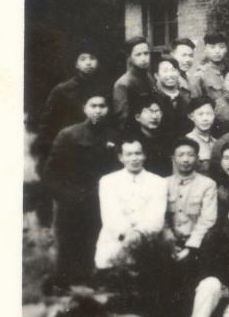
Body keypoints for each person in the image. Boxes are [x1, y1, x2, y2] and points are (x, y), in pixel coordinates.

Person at [42, 93, 118, 287]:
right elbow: (51, 172)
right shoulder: (69, 134)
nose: (98, 110)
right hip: (72, 202)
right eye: (93, 106)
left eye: (102, 106)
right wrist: (67, 196)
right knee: (70, 245)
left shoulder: (114, 135)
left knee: (99, 244)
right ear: (84, 108)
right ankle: (67, 285)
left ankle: (96, 282)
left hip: (102, 201)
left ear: (108, 109)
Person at [94, 134, 168, 273]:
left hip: (146, 242)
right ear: (120, 157)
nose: (134, 158)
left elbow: (156, 217)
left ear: (144, 155)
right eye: (128, 154)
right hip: (115, 241)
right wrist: (127, 234)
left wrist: (138, 233)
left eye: (138, 153)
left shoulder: (158, 182)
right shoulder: (108, 181)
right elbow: (110, 215)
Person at [36, 41, 106, 158]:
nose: (88, 62)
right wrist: (48, 150)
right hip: (71, 145)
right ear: (76, 64)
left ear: (98, 62)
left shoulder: (105, 89)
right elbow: (47, 123)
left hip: (98, 146)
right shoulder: (62, 90)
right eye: (83, 59)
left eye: (92, 58)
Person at [163, 137, 218, 265]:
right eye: (180, 155)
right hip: (167, 244)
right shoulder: (163, 184)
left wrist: (190, 247)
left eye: (190, 155)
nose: (185, 159)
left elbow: (207, 219)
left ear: (197, 158)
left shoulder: (208, 185)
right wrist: (170, 243)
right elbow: (160, 218)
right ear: (173, 158)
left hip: (197, 244)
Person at [112, 36, 155, 126]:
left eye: (146, 53)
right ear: (130, 57)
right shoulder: (123, 84)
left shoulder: (149, 77)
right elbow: (123, 118)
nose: (143, 58)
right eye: (138, 54)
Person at [127, 93, 172, 177]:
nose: (154, 117)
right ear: (138, 117)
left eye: (157, 112)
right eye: (149, 112)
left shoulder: (167, 140)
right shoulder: (131, 142)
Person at [154, 56, 193, 139]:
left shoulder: (188, 96)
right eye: (165, 71)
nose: (170, 75)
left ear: (178, 73)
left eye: (173, 70)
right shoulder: (153, 99)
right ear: (156, 75)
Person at [189, 32, 229, 100]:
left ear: (226, 49)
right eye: (212, 47)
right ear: (205, 49)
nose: (217, 51)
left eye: (221, 47)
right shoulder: (200, 75)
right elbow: (196, 102)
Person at [185, 96, 218, 175]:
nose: (205, 118)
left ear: (214, 115)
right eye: (200, 114)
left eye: (209, 114)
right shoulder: (186, 141)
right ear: (191, 116)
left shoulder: (216, 142)